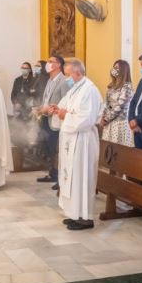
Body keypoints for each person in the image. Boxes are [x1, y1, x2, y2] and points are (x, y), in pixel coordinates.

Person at [52, 59, 102, 230]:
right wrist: (56, 109)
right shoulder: (75, 88)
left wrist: (65, 115)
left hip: (83, 141)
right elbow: (64, 106)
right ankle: (74, 214)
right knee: (71, 178)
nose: (67, 78)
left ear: (77, 73)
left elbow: (86, 119)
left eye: (68, 75)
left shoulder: (90, 90)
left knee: (81, 178)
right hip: (72, 140)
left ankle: (85, 218)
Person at [36, 54, 71, 190]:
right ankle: (52, 173)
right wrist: (42, 108)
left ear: (58, 65)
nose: (48, 64)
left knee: (57, 149)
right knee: (49, 148)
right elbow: (47, 98)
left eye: (51, 61)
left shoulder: (63, 81)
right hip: (46, 118)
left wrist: (53, 109)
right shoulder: (50, 79)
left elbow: (66, 101)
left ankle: (59, 176)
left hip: (56, 120)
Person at [99, 60, 134, 146]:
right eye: (114, 67)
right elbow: (106, 103)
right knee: (107, 150)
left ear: (123, 71)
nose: (113, 70)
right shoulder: (111, 86)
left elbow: (119, 106)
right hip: (109, 123)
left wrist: (106, 119)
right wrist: (103, 116)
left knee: (119, 151)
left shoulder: (127, 87)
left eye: (117, 68)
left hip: (120, 124)